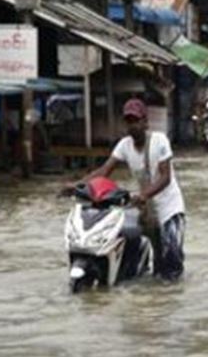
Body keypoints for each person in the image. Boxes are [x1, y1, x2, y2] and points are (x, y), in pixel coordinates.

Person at [65, 99, 187, 281]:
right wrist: (77, 186)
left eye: (136, 120)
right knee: (155, 262)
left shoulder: (160, 141)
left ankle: (172, 293)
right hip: (147, 210)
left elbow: (165, 177)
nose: (132, 126)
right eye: (129, 121)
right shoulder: (124, 145)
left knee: (171, 257)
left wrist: (144, 195)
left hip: (170, 208)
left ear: (145, 122)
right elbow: (104, 171)